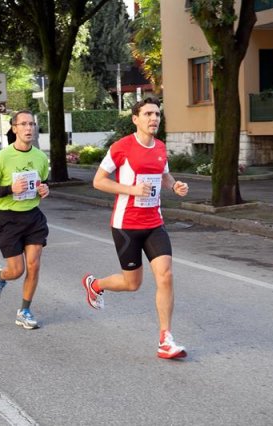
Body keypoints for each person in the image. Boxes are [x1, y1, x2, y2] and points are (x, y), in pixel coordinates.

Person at [81, 97, 190, 359]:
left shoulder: (161, 147)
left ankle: (166, 339)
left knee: (165, 275)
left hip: (154, 223)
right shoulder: (122, 147)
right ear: (136, 119)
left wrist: (175, 185)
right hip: (126, 225)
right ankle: (95, 285)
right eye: (149, 114)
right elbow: (98, 181)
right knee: (132, 284)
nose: (154, 119)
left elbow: (164, 175)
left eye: (157, 114)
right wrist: (130, 189)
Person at [0, 110, 50, 329]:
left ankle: (25, 311)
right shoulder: (2, 157)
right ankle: (1, 276)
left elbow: (44, 182)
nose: (29, 128)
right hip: (9, 220)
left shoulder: (40, 157)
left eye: (32, 124)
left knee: (34, 265)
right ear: (14, 128)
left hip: (33, 218)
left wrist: (44, 189)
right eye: (23, 124)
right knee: (17, 271)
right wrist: (11, 188)